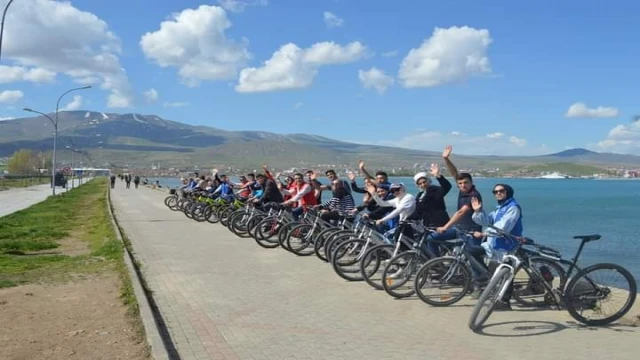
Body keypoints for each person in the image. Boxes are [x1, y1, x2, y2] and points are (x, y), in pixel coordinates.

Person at [471, 184, 523, 310]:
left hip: (507, 245)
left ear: (508, 192)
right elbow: (486, 221)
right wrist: (478, 211)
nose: (498, 193)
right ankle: (488, 283)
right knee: (472, 251)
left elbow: (504, 227)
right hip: (494, 245)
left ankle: (505, 302)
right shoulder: (499, 208)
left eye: (501, 191)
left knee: (506, 273)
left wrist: (484, 233)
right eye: (495, 192)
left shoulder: (513, 208)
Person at [412, 163, 454, 255]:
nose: (423, 184)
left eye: (424, 182)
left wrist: (438, 176)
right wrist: (407, 219)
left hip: (440, 223)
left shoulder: (436, 190)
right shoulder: (420, 195)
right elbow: (418, 211)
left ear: (429, 181)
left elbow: (447, 187)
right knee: (422, 242)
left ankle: (437, 263)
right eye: (420, 183)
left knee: (432, 242)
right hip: (428, 225)